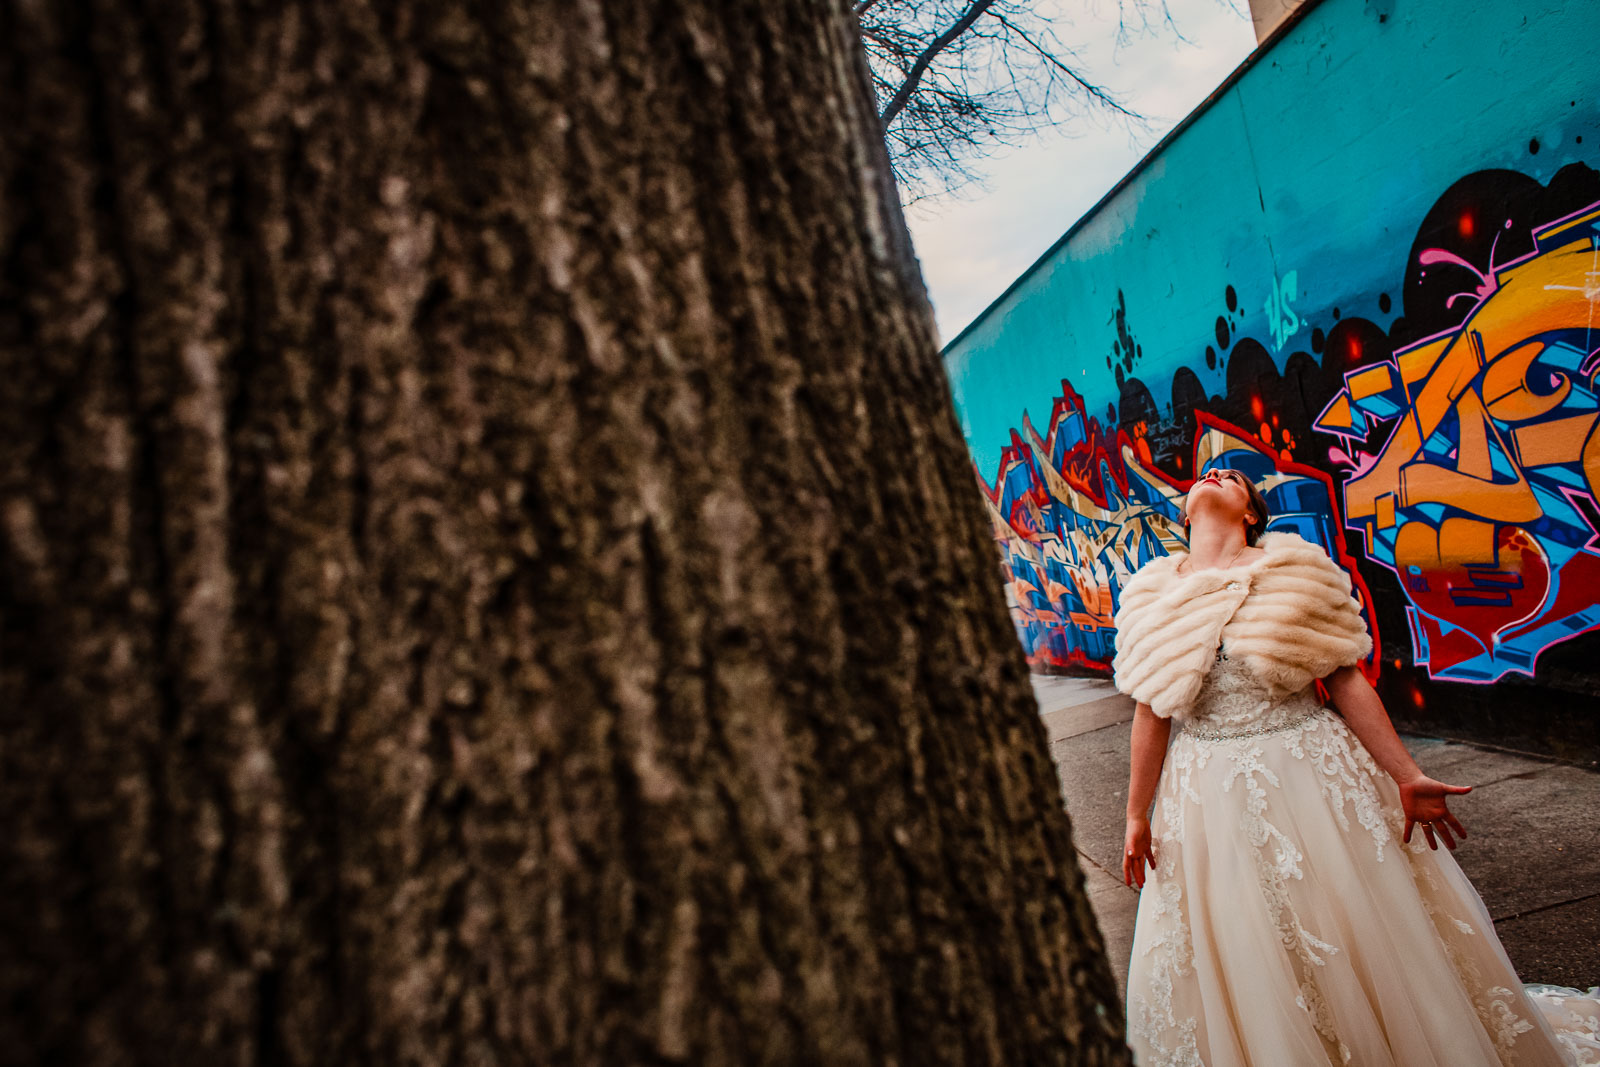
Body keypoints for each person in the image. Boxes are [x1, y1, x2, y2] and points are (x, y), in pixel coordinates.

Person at [1112, 465, 1600, 1067]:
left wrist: (1407, 775)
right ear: (1185, 512)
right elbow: (1150, 712)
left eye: (1234, 476)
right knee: (1243, 938)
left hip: (1309, 774)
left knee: (1346, 922)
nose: (1215, 473)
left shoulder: (1298, 573)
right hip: (1203, 792)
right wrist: (1137, 815)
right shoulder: (1147, 595)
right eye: (1209, 473)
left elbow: (1345, 680)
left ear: (1251, 515)